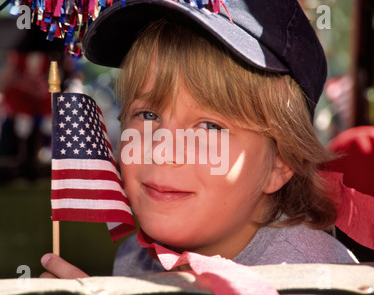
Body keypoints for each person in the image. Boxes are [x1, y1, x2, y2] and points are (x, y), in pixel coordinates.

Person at [40, 0, 357, 279]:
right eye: (148, 115)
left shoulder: (308, 277)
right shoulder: (133, 259)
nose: (163, 152)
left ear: (281, 162)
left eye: (210, 126)